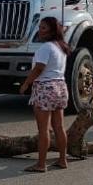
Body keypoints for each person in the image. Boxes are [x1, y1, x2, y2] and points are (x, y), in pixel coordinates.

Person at [19, 17, 70, 172]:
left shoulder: (45, 48)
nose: (39, 31)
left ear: (52, 31)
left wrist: (26, 83)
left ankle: (41, 164)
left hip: (45, 88)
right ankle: (62, 160)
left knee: (43, 130)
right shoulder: (61, 47)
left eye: (43, 28)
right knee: (59, 127)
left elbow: (39, 68)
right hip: (60, 87)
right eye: (39, 27)